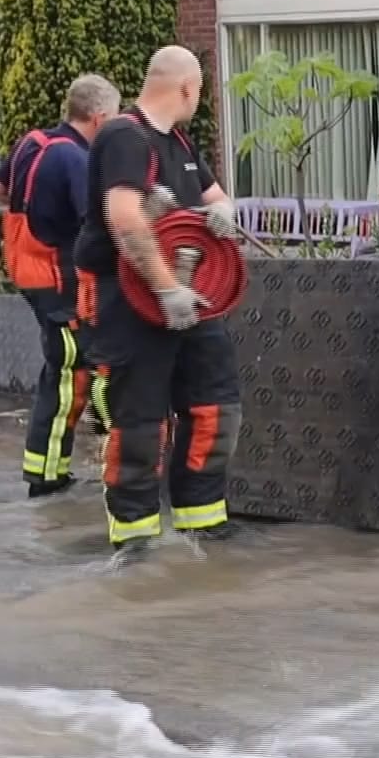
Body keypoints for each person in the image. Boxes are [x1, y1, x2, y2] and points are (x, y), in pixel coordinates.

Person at [72, 46, 244, 553]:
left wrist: (225, 213)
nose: (199, 99)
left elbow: (214, 198)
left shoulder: (180, 142)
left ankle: (201, 525)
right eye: (200, 92)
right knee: (141, 423)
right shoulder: (125, 136)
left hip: (193, 301)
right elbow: (124, 219)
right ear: (187, 88)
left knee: (215, 406)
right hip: (131, 302)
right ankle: (136, 544)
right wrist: (167, 289)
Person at [0, 74, 121, 498]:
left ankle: (47, 467)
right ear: (98, 118)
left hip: (29, 273)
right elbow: (97, 224)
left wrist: (38, 213)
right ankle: (45, 476)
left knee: (61, 370)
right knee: (70, 377)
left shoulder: (34, 142)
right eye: (114, 118)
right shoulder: (76, 160)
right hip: (60, 283)